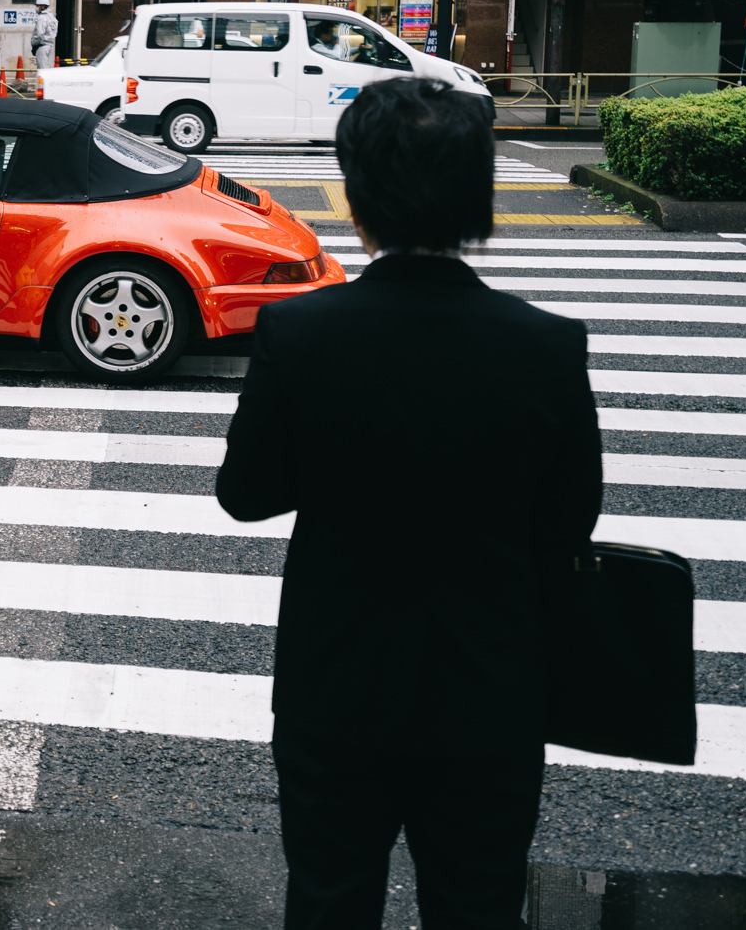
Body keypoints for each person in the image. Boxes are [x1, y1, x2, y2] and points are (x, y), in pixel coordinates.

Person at [216, 77, 601, 930]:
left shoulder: (303, 333)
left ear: (357, 198)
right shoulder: (546, 345)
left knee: (329, 897)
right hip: (490, 687)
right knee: (478, 904)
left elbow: (245, 495)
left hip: (337, 682)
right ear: (476, 197)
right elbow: (571, 519)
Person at [32, 0, 58, 70]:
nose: (36, 8)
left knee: (42, 69)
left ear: (43, 6)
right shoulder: (52, 17)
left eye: (38, 6)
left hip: (41, 45)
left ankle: (43, 82)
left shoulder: (41, 18)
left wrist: (34, 45)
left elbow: (39, 34)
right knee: (47, 67)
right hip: (49, 45)